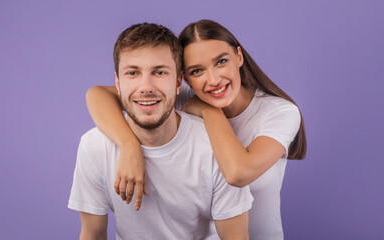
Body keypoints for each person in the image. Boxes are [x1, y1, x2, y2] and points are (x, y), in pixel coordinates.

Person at [86, 20, 307, 240]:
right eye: (197, 70)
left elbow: (238, 173)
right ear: (185, 78)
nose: (213, 80)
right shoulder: (180, 96)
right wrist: (129, 146)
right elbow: (97, 95)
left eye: (221, 61)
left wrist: (210, 113)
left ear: (238, 56)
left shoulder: (280, 112)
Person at [68, 22, 253, 240]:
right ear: (117, 83)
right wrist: (130, 146)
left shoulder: (215, 147)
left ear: (178, 83)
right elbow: (93, 234)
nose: (146, 87)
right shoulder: (94, 147)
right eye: (132, 73)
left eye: (159, 72)